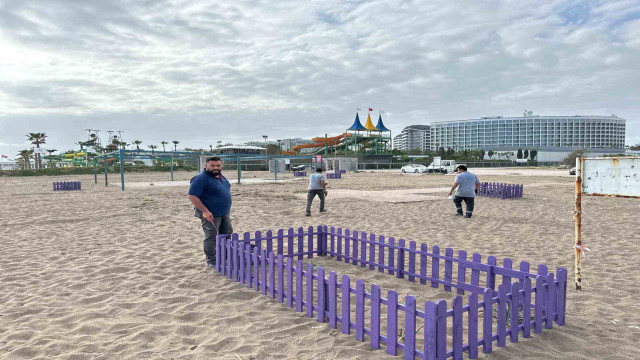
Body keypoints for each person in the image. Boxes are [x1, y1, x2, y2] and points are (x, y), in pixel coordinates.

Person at [188, 157, 233, 268]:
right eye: (212, 165)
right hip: (210, 214)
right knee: (211, 237)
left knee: (226, 235)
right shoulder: (200, 178)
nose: (215, 168)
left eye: (218, 165)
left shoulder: (221, 177)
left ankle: (224, 258)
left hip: (224, 213)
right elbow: (192, 196)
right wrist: (205, 211)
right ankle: (212, 261)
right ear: (206, 166)